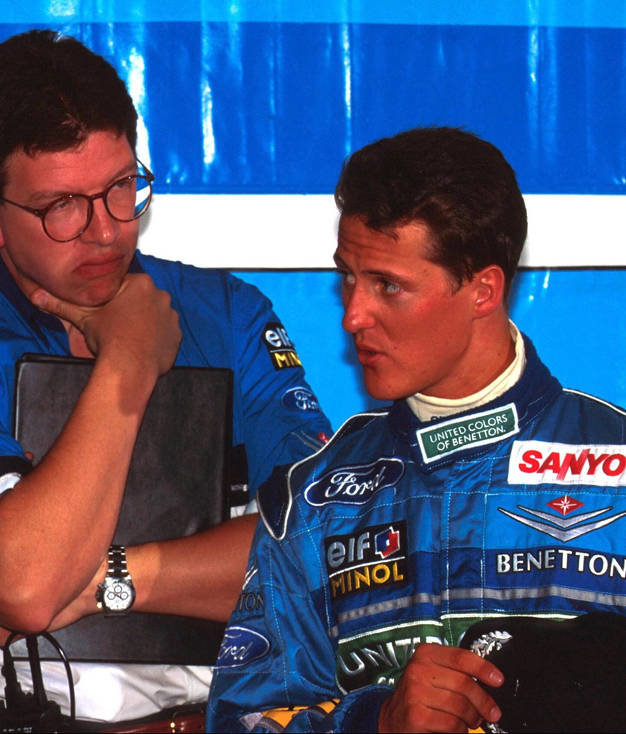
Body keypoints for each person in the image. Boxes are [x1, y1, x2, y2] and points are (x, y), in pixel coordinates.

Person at [0, 29, 332, 728]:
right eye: (61, 206)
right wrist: (129, 361)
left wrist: (115, 579)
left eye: (122, 187)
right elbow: (23, 586)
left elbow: (329, 551)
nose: (106, 230)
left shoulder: (227, 317)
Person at [206, 126, 626, 733]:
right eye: (348, 277)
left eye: (388, 285)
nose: (353, 314)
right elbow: (238, 721)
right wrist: (374, 720)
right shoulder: (316, 502)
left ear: (483, 290)